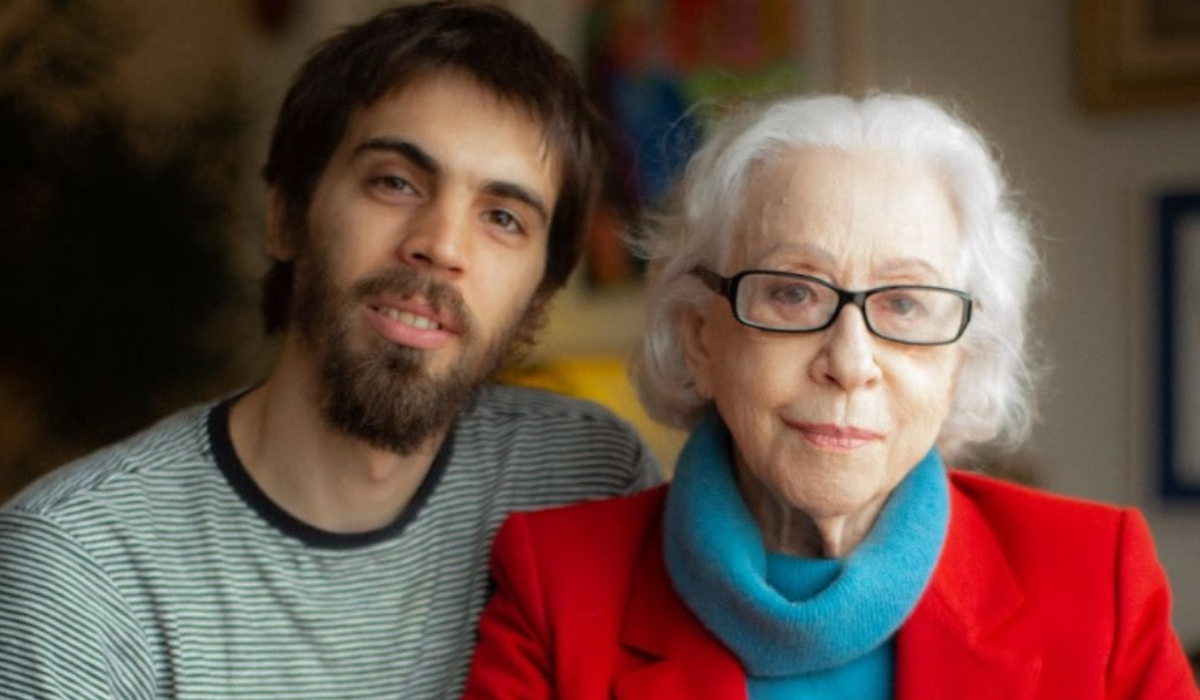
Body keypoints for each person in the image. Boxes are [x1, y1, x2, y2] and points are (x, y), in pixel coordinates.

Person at [0, 2, 660, 698]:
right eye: (395, 182)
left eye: (502, 217)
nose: (440, 244)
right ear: (286, 215)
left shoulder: (590, 482)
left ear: (537, 299)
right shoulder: (77, 565)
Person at [462, 92, 1199, 698]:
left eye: (905, 305)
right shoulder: (554, 584)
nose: (850, 362)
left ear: (963, 359)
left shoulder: (1099, 581)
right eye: (791, 293)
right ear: (698, 339)